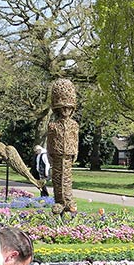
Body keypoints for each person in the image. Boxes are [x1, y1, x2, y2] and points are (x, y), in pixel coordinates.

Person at [46, 79, 79, 213]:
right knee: (57, 178)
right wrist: (49, 153)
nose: (66, 111)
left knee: (67, 178)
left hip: (69, 154)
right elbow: (49, 140)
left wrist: (75, 151)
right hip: (57, 154)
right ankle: (59, 201)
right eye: (63, 108)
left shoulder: (74, 125)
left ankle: (68, 201)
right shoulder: (53, 126)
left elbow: (75, 139)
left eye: (68, 108)